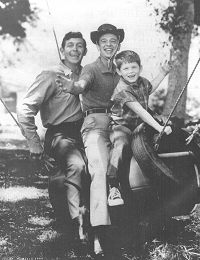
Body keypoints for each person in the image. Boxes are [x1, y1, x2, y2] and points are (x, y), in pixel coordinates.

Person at [56, 24, 172, 257]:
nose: (109, 44)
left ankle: (134, 227)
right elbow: (81, 85)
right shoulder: (90, 69)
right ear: (97, 45)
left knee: (130, 165)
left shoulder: (124, 68)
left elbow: (144, 91)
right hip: (96, 124)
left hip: (121, 125)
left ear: (118, 43)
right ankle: (99, 233)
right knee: (98, 169)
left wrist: (164, 71)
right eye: (104, 41)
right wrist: (72, 87)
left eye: (113, 40)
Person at [17, 31, 88, 242]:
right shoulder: (50, 74)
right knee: (76, 167)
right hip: (60, 133)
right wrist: (34, 144)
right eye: (70, 45)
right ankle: (77, 227)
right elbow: (25, 108)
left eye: (79, 46)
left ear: (85, 50)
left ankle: (98, 224)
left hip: (86, 132)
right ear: (62, 50)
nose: (75, 50)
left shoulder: (87, 75)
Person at [107, 50, 172, 207]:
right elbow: (141, 112)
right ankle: (113, 186)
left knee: (166, 134)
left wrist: (163, 73)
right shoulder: (122, 89)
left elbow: (150, 88)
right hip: (122, 125)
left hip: (140, 125)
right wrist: (158, 127)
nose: (130, 72)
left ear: (140, 68)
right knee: (121, 144)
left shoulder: (142, 81)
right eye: (126, 69)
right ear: (118, 71)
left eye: (134, 67)